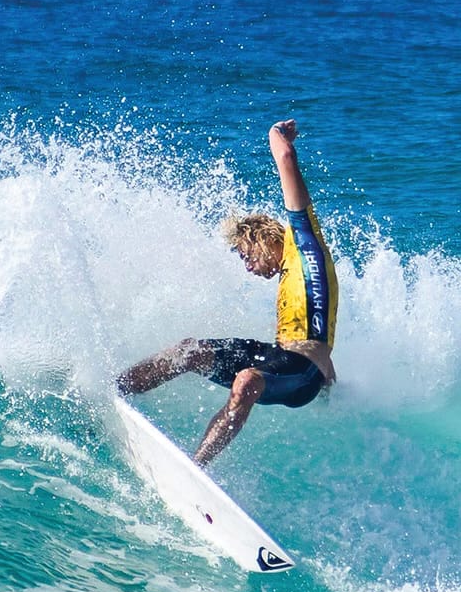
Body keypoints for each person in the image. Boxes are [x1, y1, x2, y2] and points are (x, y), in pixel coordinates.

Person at [115, 119, 337, 465]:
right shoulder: (290, 281)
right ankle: (114, 390)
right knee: (188, 351)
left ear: (264, 237)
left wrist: (276, 133)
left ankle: (197, 467)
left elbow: (287, 160)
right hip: (280, 359)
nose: (248, 266)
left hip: (302, 373)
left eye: (246, 255)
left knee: (246, 380)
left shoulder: (304, 242)